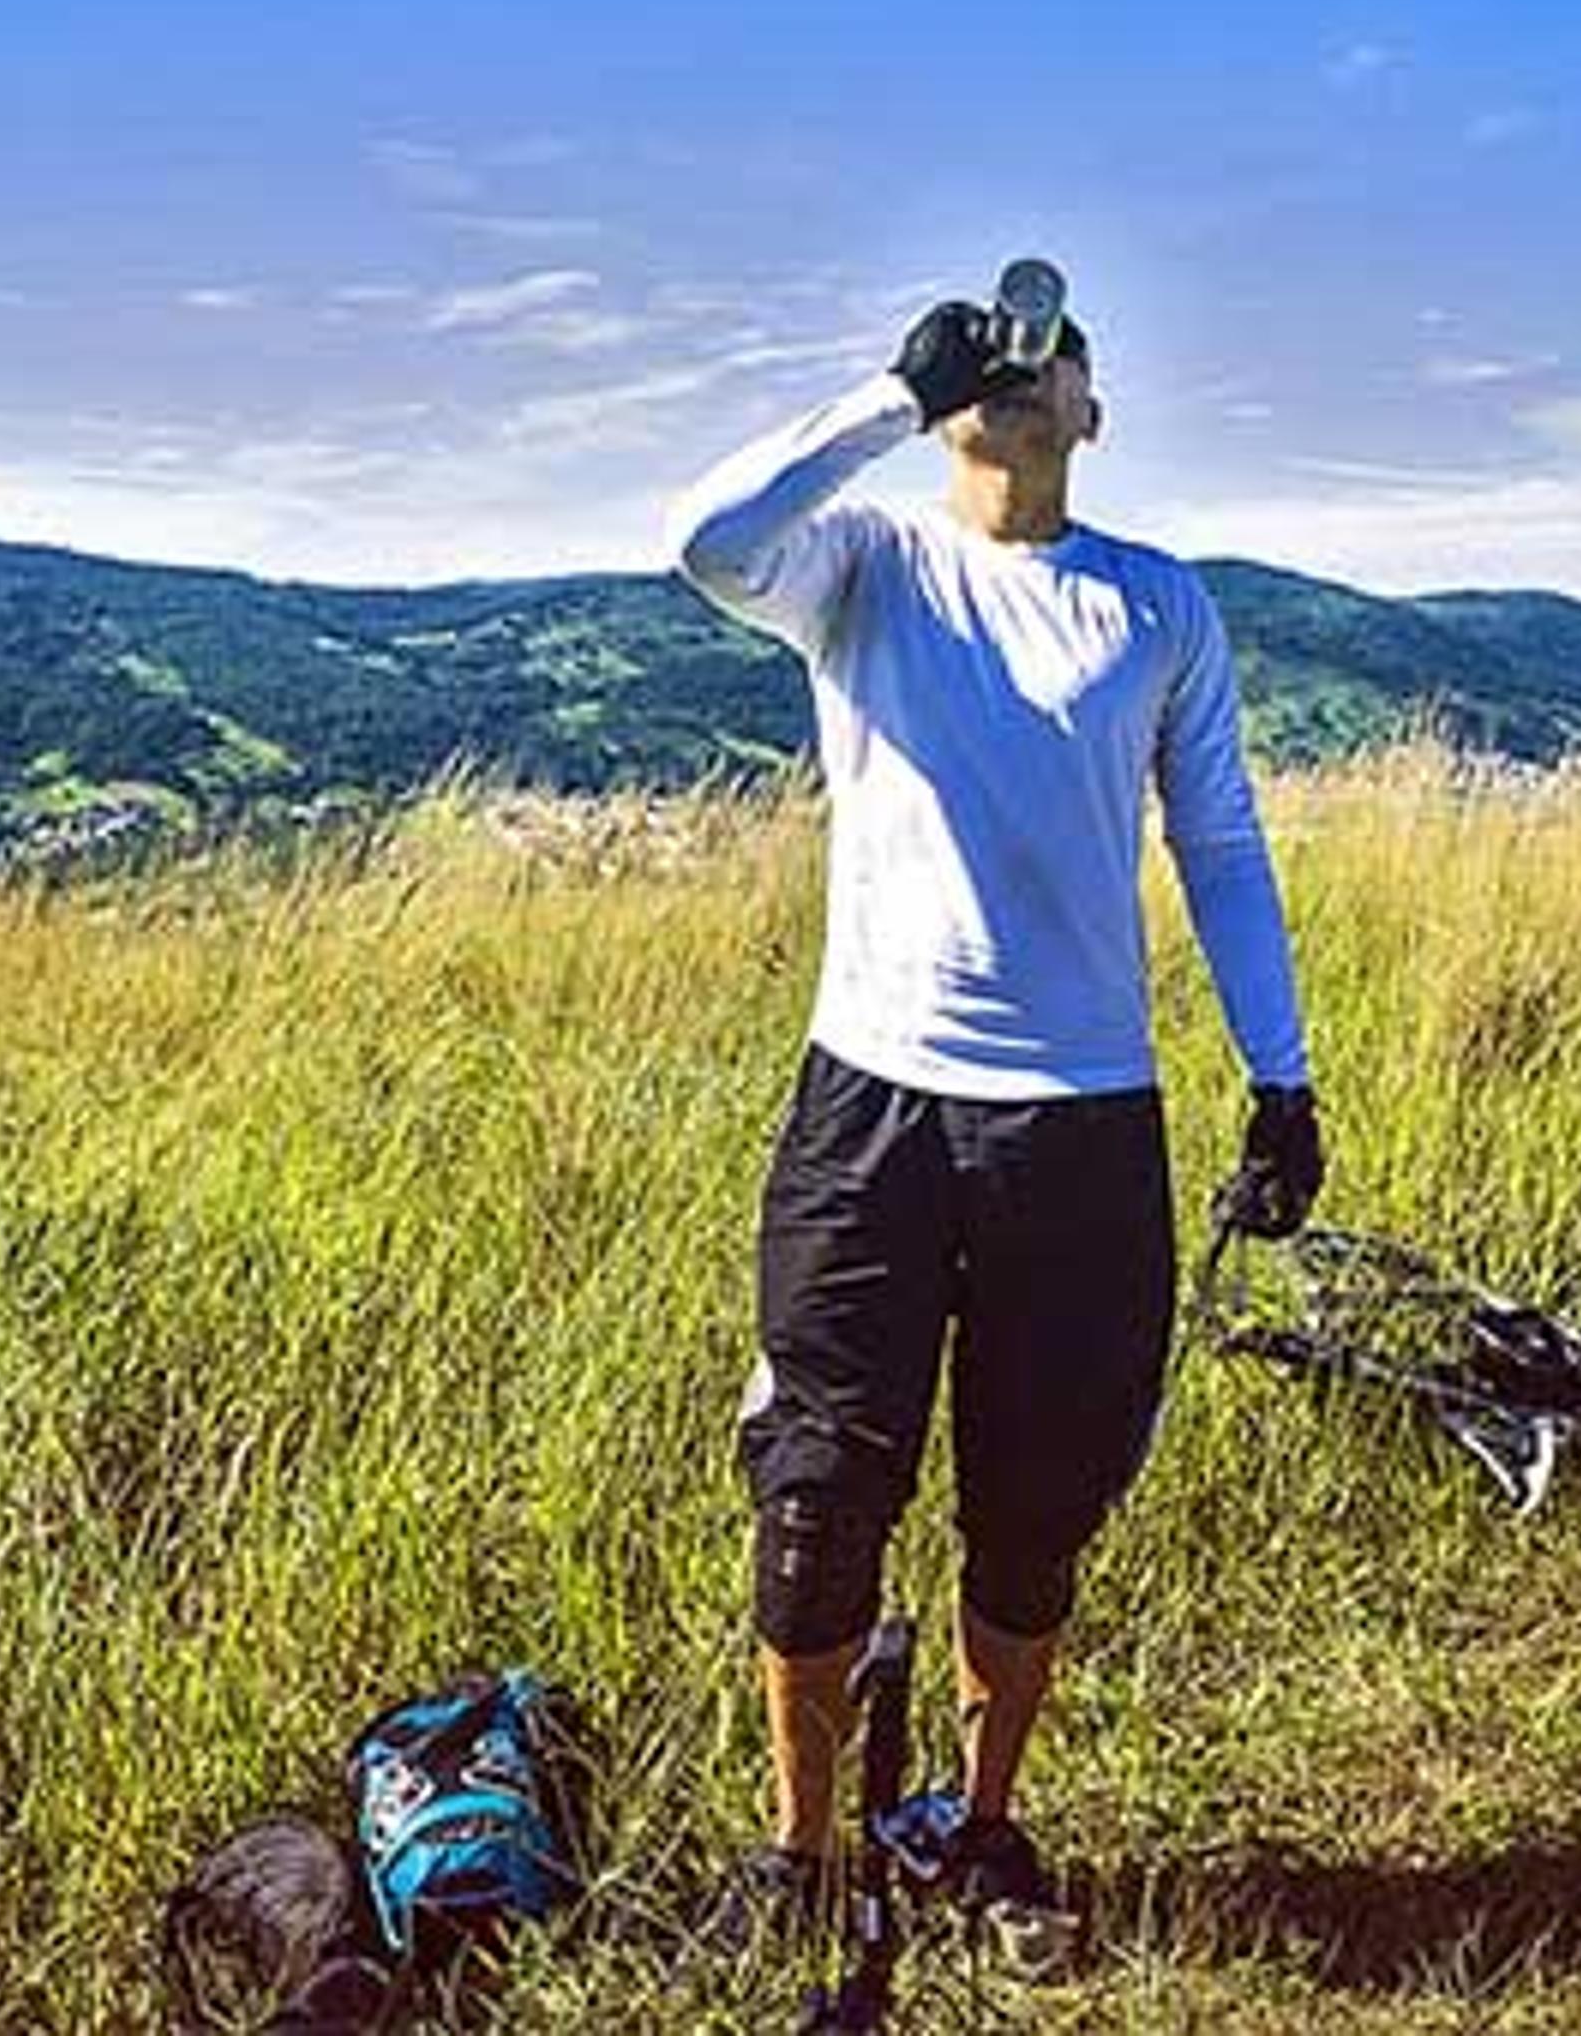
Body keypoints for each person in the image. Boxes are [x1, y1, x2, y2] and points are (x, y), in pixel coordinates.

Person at [661, 290, 1327, 1939]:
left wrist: (1283, 1073)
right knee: (816, 1493)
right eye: (999, 365)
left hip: (1084, 1124)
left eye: (1058, 363)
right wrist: (897, 391)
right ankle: (803, 1855)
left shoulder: (1158, 609)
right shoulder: (868, 566)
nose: (1024, 382)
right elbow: (703, 539)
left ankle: (982, 1821)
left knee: (1036, 1506)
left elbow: (1222, 846)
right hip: (869, 1108)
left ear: (1095, 416)